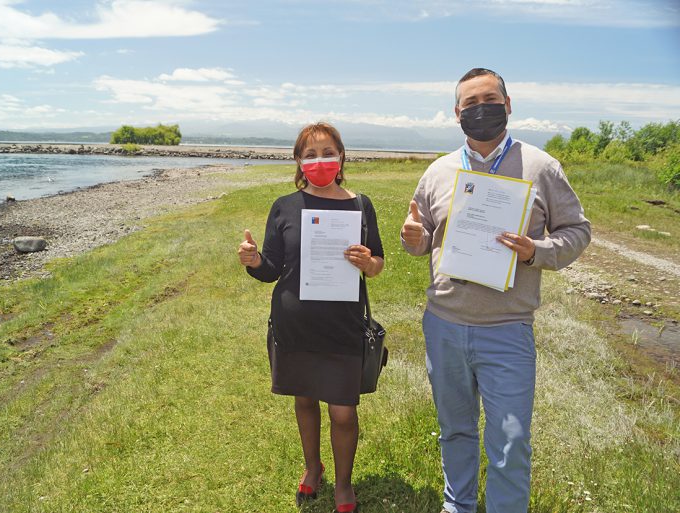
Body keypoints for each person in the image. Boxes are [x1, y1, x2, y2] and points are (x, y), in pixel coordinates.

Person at [400, 68, 591, 513]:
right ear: (456, 113)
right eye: (470, 103)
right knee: (455, 429)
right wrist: (415, 239)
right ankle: (458, 506)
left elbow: (578, 232)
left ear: (508, 105)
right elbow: (424, 235)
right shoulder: (439, 171)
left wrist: (535, 252)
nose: (479, 109)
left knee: (510, 439)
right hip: (444, 325)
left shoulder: (541, 168)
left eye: (489, 99)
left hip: (507, 329)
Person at [238, 122, 384, 513]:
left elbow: (377, 265)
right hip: (295, 323)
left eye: (327, 152)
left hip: (342, 325)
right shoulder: (285, 206)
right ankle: (312, 466)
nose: (320, 161)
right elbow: (271, 267)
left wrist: (367, 262)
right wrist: (254, 261)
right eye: (310, 154)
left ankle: (344, 484)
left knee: (342, 409)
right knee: (304, 398)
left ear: (341, 157)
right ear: (299, 162)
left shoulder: (359, 205)